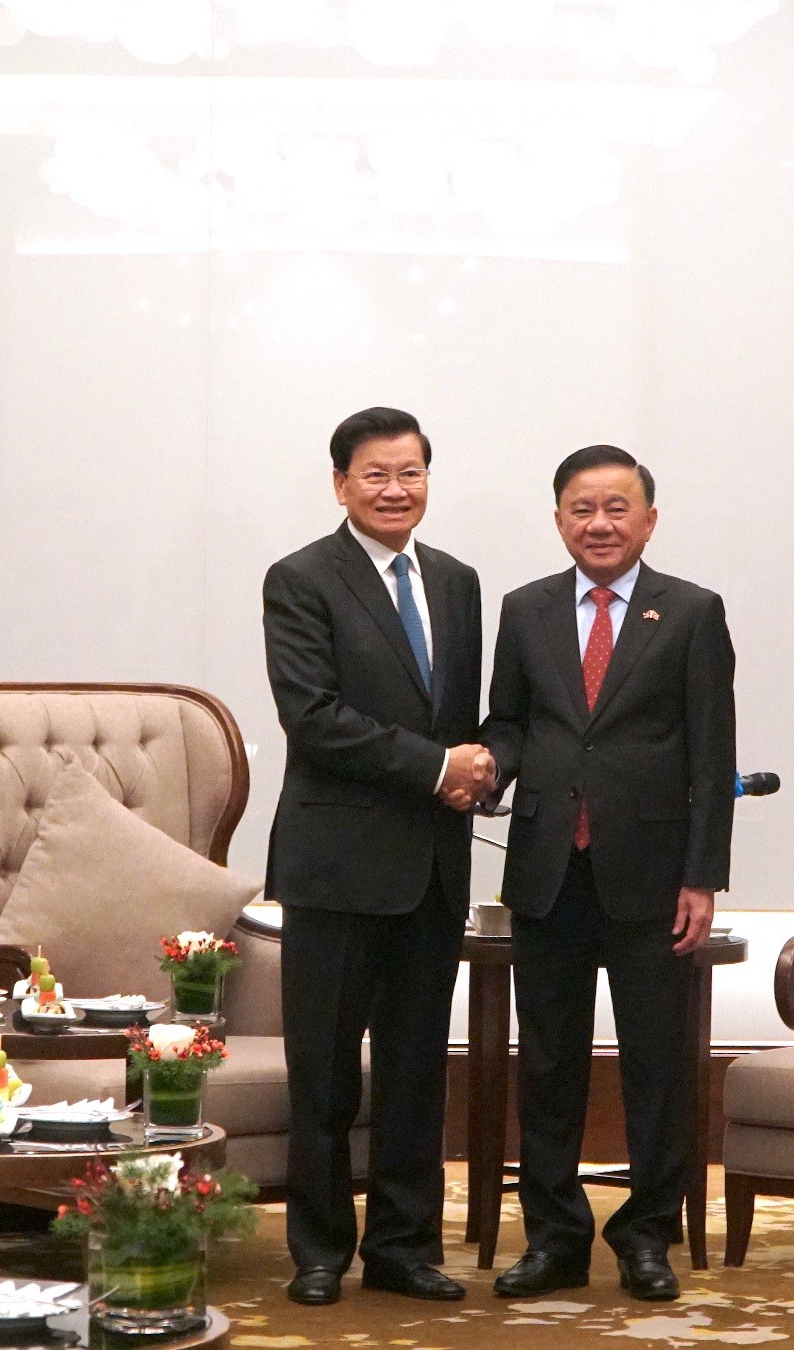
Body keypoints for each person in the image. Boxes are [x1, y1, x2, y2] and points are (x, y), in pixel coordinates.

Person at [480, 445, 735, 1304]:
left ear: (649, 520)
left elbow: (713, 755)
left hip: (653, 876)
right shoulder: (525, 609)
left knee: (656, 1066)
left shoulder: (691, 612)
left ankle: (646, 1236)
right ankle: (553, 1237)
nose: (599, 523)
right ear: (558, 520)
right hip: (549, 868)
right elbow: (510, 721)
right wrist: (486, 769)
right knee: (548, 1064)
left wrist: (702, 877)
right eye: (581, 509)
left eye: (616, 508)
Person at [261, 406, 487, 1307]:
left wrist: (481, 767)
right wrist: (437, 767)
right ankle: (319, 1250)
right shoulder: (301, 579)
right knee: (323, 1074)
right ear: (340, 485)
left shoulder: (458, 582)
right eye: (376, 475)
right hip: (336, 866)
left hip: (432, 866)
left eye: (411, 473)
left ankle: (403, 1248)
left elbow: (460, 720)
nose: (396, 490)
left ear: (429, 479)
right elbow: (313, 717)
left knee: (416, 1072)